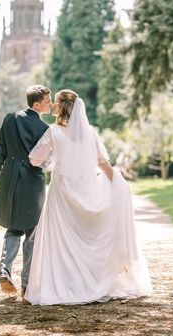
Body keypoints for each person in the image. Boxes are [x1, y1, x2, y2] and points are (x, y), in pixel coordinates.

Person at [25, 89, 152, 305]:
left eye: (55, 101)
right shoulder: (89, 133)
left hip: (63, 193)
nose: (53, 104)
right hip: (86, 188)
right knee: (87, 237)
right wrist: (117, 182)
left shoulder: (53, 132)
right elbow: (103, 163)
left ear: (62, 106)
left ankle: (67, 284)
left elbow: (35, 160)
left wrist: (52, 160)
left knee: (63, 241)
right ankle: (92, 282)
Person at [0, 85, 52, 297]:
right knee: (32, 231)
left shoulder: (9, 119)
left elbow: (1, 151)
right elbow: (43, 161)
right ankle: (27, 284)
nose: (51, 104)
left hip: (9, 178)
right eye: (47, 101)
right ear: (37, 105)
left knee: (13, 225)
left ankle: (4, 270)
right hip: (33, 182)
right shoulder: (44, 129)